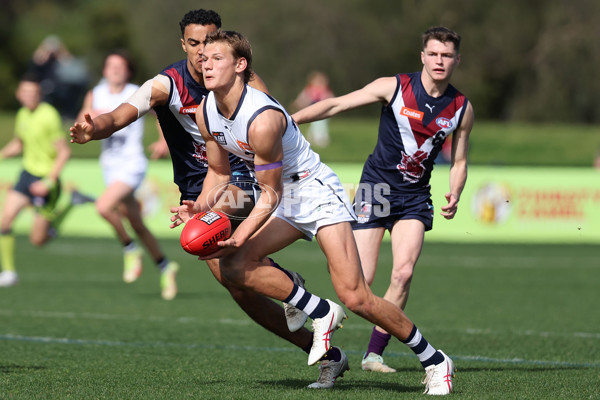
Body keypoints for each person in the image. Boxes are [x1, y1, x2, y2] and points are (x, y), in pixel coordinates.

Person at [70, 9, 346, 389]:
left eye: (210, 41)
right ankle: (323, 347)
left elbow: (273, 127)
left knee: (226, 258)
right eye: (195, 43)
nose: (203, 53)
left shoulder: (243, 78)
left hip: (241, 181)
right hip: (198, 188)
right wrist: (94, 128)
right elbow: (120, 114)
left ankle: (302, 297)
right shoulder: (166, 85)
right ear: (183, 44)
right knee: (234, 283)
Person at [171, 29, 455, 396]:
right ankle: (318, 309)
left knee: (355, 296)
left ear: (240, 66)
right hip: (281, 193)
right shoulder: (206, 113)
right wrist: (201, 205)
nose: (205, 65)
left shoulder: (263, 118)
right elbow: (220, 173)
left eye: (216, 59)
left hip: (314, 191)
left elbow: (269, 193)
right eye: (203, 59)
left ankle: (434, 360)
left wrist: (240, 234)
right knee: (233, 266)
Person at [293, 26, 473, 375]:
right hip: (376, 190)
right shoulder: (394, 87)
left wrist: (457, 189)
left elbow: (461, 160)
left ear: (456, 60)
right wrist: (292, 119)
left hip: (416, 198)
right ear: (422, 56)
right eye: (433, 54)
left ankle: (374, 354)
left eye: (447, 55)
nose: (439, 61)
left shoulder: (462, 108)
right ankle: (299, 293)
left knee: (403, 274)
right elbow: (338, 103)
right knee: (359, 281)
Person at [75, 51, 179, 300]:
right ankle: (166, 267)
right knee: (136, 223)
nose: (115, 70)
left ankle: (130, 249)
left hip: (133, 164)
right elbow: (82, 118)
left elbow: (159, 115)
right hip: (109, 165)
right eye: (111, 65)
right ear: (104, 70)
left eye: (120, 66)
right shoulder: (96, 93)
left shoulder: (136, 90)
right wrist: (87, 122)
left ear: (128, 71)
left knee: (103, 207)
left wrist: (163, 141)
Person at [0, 74, 93, 287]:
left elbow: (64, 152)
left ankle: (71, 204)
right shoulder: (22, 114)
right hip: (26, 175)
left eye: (33, 93)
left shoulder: (48, 116)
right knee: (5, 221)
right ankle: (9, 272)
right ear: (18, 94)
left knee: (38, 241)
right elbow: (19, 143)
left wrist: (48, 182)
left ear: (39, 95)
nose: (29, 96)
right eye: (25, 92)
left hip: (46, 180)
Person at [291, 71, 334, 147]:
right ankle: (316, 139)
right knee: (315, 124)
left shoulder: (325, 90)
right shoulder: (310, 89)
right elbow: (304, 97)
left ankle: (320, 140)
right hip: (314, 109)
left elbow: (331, 98)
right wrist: (298, 103)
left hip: (324, 110)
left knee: (320, 125)